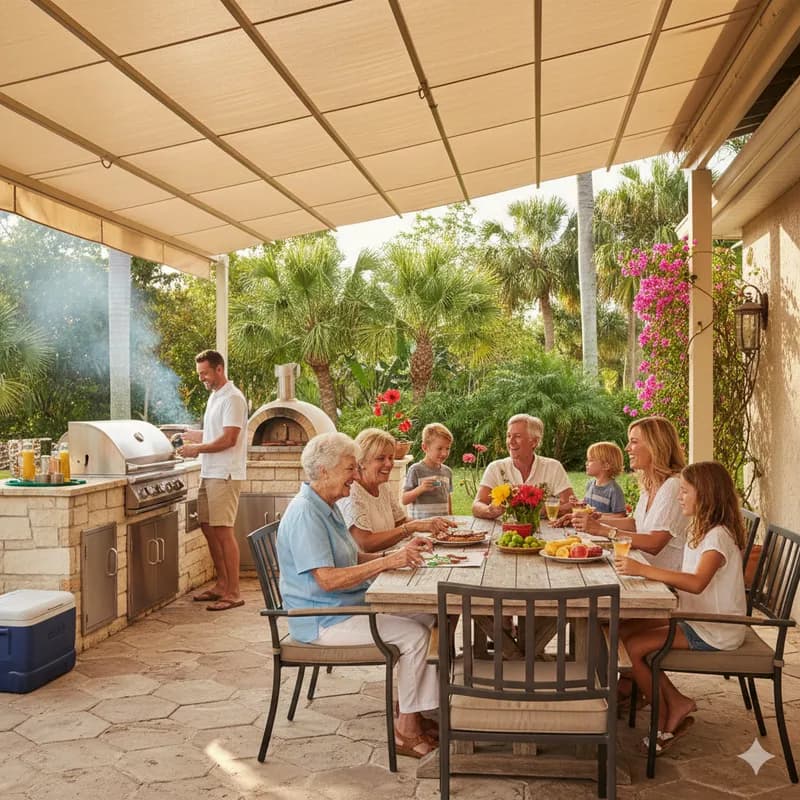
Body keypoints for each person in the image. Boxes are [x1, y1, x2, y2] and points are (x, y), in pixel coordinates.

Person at [278, 431, 439, 758]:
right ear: (324, 471)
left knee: (430, 615)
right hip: (323, 620)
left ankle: (412, 712)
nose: (355, 475)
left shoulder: (326, 504)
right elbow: (327, 579)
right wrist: (389, 561)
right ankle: (405, 732)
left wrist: (394, 556)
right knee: (416, 636)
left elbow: (349, 560)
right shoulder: (307, 513)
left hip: (345, 605)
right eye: (349, 468)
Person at [616, 461, 747, 753]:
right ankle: (672, 701)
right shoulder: (700, 529)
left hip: (715, 629)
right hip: (697, 618)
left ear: (706, 495)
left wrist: (642, 570)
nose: (679, 497)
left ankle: (665, 717)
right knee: (623, 630)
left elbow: (697, 582)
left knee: (635, 648)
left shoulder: (716, 537)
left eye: (685, 492)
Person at [178, 349, 248, 611]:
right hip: (209, 472)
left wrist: (196, 450)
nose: (201, 378)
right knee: (208, 527)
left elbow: (229, 439)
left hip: (225, 473)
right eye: (199, 374)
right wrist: (190, 434)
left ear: (219, 369)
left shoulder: (233, 398)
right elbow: (214, 432)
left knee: (223, 531)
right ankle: (221, 585)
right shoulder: (215, 397)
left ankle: (234, 592)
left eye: (205, 373)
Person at [572, 415, 688, 571]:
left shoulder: (673, 486)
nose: (627, 448)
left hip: (663, 585)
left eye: (634, 442)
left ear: (655, 446)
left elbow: (654, 543)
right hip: (639, 569)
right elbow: (636, 524)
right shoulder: (650, 484)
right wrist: (596, 519)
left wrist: (602, 530)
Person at [339, 428, 455, 553]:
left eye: (391, 457)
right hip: (373, 567)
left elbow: (400, 521)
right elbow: (365, 544)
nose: (389, 464)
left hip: (393, 558)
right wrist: (412, 527)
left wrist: (430, 523)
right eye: (381, 458)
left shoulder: (382, 486)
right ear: (361, 462)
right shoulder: (352, 493)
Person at [472, 414, 573, 519]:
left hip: (546, 532)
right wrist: (489, 510)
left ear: (534, 442)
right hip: (502, 532)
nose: (511, 441)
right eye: (509, 436)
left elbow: (570, 504)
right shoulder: (495, 467)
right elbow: (477, 505)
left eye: (517, 436)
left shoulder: (553, 467)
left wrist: (541, 509)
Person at [402, 423, 454, 519]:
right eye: (439, 448)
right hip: (421, 528)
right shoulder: (415, 470)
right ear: (425, 447)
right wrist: (420, 489)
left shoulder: (447, 472)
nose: (444, 453)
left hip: (443, 526)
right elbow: (404, 500)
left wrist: (451, 517)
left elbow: (448, 497)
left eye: (447, 448)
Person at [583, 441, 626, 514]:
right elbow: (587, 506)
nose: (586, 463)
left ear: (606, 466)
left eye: (591, 460)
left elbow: (620, 515)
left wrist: (600, 518)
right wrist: (577, 503)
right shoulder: (590, 484)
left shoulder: (614, 490)